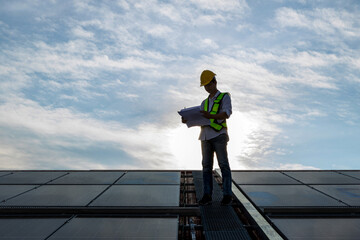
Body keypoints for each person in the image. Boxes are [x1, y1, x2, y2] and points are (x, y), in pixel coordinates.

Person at [182, 70, 233, 205]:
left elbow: (225, 114)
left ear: (215, 83)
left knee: (223, 164)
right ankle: (207, 195)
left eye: (209, 85)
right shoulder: (203, 103)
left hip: (219, 135)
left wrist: (210, 116)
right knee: (206, 166)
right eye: (205, 86)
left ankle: (227, 194)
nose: (207, 88)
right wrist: (187, 119)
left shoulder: (224, 97)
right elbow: (199, 119)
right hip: (205, 137)